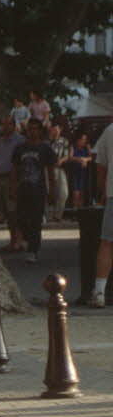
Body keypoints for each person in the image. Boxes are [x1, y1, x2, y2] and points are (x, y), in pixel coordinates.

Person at [11, 118, 57, 264]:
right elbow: (14, 169)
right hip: (23, 188)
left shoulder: (45, 148)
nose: (33, 131)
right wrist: (12, 188)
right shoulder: (20, 148)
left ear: (40, 130)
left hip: (38, 189)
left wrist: (52, 191)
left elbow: (50, 171)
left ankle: (33, 250)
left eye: (36, 128)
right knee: (21, 219)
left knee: (36, 221)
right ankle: (26, 239)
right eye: (30, 129)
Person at [0, 118, 25, 251]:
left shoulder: (20, 141)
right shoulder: (0, 142)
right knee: (5, 211)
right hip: (1, 177)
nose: (5, 127)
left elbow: (20, 162)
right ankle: (13, 240)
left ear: (13, 125)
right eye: (3, 124)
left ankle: (19, 240)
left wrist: (15, 182)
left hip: (14, 179)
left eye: (8, 124)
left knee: (14, 211)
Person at [89, 126, 113, 307]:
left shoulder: (110, 130)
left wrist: (101, 190)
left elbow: (100, 164)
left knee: (107, 243)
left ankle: (99, 292)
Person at [48, 123, 71, 222]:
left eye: (57, 129)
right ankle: (49, 215)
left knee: (63, 193)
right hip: (49, 169)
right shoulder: (48, 142)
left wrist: (61, 160)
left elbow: (67, 154)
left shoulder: (64, 141)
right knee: (49, 191)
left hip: (60, 168)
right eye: (53, 129)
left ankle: (58, 215)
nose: (55, 131)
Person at [68, 131, 92, 210]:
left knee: (82, 191)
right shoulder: (73, 147)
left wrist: (85, 159)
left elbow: (91, 157)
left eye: (85, 139)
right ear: (78, 140)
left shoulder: (86, 147)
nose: (83, 141)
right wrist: (79, 159)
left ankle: (81, 209)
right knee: (76, 191)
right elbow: (70, 157)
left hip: (83, 172)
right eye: (82, 139)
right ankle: (75, 209)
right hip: (75, 171)